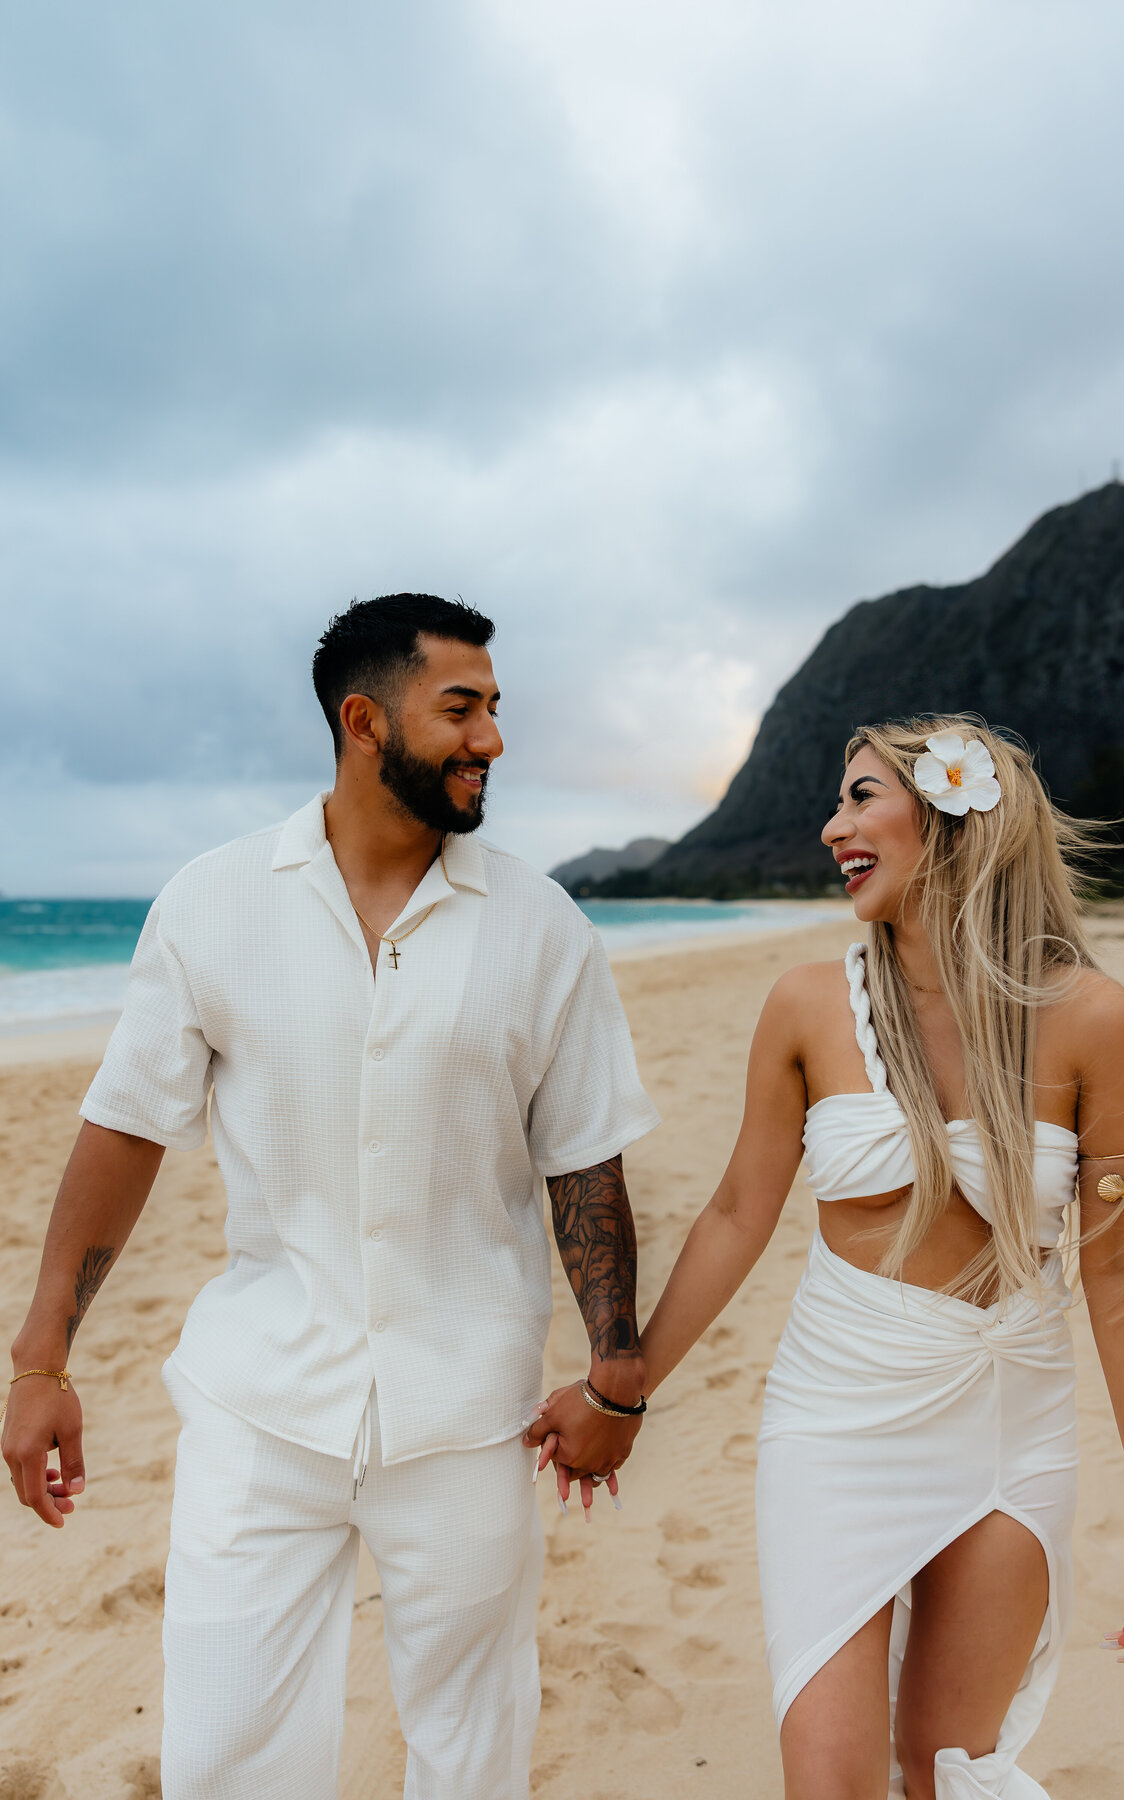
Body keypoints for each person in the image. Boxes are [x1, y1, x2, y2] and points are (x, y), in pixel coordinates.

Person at [3, 593, 659, 1800]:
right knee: (218, 1760)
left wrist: (619, 1371)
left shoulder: (541, 925)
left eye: (496, 709)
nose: (492, 741)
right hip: (260, 1412)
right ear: (364, 721)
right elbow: (126, 1128)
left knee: (471, 1757)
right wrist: (42, 1355)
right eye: (460, 709)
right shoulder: (213, 901)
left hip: (468, 1418)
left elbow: (585, 1161)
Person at [528, 716, 1124, 1799]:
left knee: (943, 1767)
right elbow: (741, 1212)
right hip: (838, 1414)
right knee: (829, 1779)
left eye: (861, 796)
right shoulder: (805, 1005)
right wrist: (628, 1385)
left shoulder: (1094, 1022)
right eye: (837, 801)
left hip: (1007, 1417)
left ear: (953, 814)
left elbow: (1118, 1271)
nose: (834, 825)